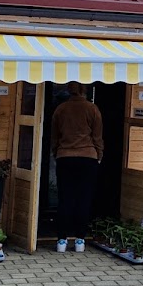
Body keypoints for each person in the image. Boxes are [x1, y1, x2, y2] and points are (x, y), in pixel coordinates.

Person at [50, 81, 103, 252]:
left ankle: (61, 241)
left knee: (65, 199)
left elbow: (54, 137)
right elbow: (97, 137)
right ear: (84, 90)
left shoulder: (60, 109)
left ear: (69, 90)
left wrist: (56, 153)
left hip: (65, 157)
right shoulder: (92, 109)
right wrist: (99, 155)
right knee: (84, 199)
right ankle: (80, 240)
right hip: (88, 158)